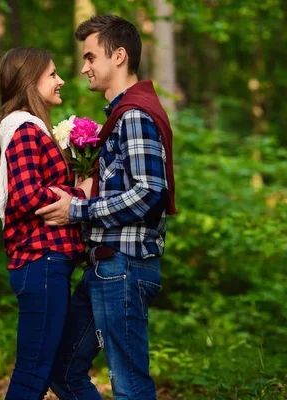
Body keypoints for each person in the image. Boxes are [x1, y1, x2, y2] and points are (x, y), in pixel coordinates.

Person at [35, 15, 177, 400]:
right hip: (104, 266)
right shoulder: (121, 114)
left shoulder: (134, 114)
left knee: (129, 387)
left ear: (118, 56)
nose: (84, 68)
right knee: (63, 371)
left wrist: (76, 211)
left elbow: (150, 192)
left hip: (124, 265)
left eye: (90, 57)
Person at [0, 47, 89, 399]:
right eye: (53, 75)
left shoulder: (31, 128)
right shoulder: (23, 128)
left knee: (47, 370)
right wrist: (79, 198)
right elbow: (27, 195)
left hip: (46, 262)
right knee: (33, 373)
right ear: (31, 81)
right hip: (39, 260)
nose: (61, 81)